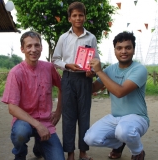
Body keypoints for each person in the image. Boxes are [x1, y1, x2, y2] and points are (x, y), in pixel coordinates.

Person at [84, 31, 149, 160]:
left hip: (137, 118)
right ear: (115, 51)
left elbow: (120, 92)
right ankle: (119, 144)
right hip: (115, 118)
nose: (123, 51)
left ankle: (137, 151)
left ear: (134, 50)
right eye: (119, 48)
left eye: (128, 47)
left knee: (123, 131)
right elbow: (92, 89)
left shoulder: (139, 69)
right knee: (90, 138)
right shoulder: (110, 70)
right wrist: (87, 75)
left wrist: (99, 71)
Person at [1, 31, 65, 160]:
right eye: (29, 46)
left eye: (37, 45)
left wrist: (58, 112)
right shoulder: (16, 73)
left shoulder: (49, 68)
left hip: (45, 122)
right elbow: (12, 108)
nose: (33, 50)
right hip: (23, 121)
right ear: (22, 49)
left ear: (41, 47)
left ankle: (39, 146)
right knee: (20, 134)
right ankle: (20, 155)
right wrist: (38, 125)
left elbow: (62, 86)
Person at [52, 2, 100, 160]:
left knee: (84, 116)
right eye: (74, 15)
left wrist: (92, 71)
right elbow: (55, 59)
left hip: (85, 81)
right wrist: (67, 65)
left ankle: (83, 153)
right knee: (69, 117)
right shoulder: (64, 38)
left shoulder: (91, 37)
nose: (78, 18)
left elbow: (96, 60)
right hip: (68, 79)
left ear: (85, 17)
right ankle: (70, 153)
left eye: (80, 15)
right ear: (69, 18)